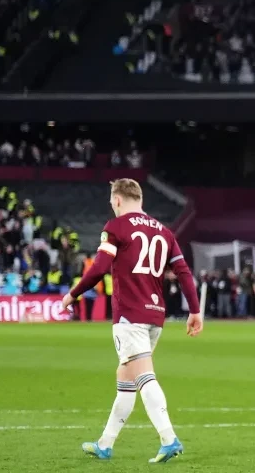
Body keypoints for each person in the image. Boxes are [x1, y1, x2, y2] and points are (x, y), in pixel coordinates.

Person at [61, 179, 202, 463]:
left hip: (129, 315)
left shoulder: (116, 227)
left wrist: (73, 294)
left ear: (117, 200)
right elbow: (184, 272)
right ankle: (105, 444)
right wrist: (195, 310)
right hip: (155, 315)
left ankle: (168, 438)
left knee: (143, 377)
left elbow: (100, 267)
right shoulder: (165, 232)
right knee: (125, 378)